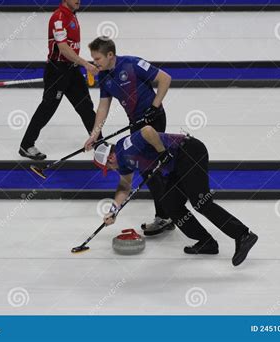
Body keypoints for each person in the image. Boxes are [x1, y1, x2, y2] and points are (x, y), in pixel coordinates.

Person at [93, 126, 258, 266]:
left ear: (110, 157)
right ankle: (206, 242)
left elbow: (147, 130)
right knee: (170, 203)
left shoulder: (126, 148)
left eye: (108, 166)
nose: (112, 169)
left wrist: (162, 152)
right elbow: (124, 186)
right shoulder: (123, 162)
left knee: (201, 202)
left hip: (189, 151)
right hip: (175, 165)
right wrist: (113, 211)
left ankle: (243, 235)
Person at [84, 36, 174, 236]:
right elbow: (103, 107)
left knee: (149, 169)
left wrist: (154, 106)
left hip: (153, 118)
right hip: (136, 124)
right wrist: (94, 134)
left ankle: (166, 215)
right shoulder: (104, 77)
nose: (94, 63)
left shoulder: (132, 63)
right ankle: (167, 213)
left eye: (97, 58)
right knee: (147, 170)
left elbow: (165, 79)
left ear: (110, 55)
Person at [19, 0, 100, 160]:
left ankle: (99, 142)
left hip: (72, 69)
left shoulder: (72, 15)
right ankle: (26, 145)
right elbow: (63, 48)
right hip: (58, 70)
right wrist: (86, 64)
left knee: (85, 106)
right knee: (48, 108)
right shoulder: (59, 18)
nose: (78, 0)